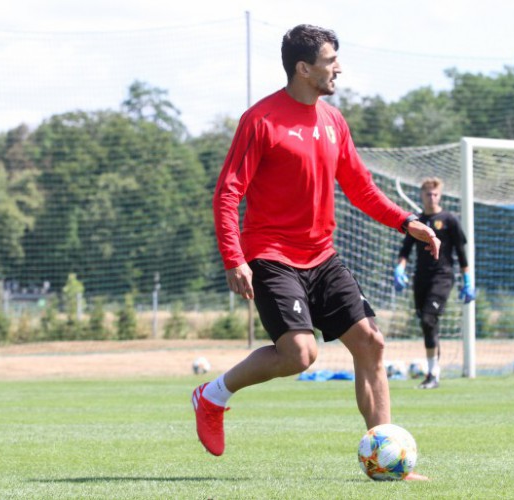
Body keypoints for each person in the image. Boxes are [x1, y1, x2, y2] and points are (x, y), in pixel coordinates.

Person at [193, 24, 439, 480]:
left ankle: (388, 463)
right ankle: (212, 396)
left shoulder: (333, 121)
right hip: (270, 254)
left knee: (371, 342)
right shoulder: (260, 120)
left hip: (322, 256)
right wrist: (234, 258)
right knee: (300, 355)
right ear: (303, 69)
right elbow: (228, 193)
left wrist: (405, 221)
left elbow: (361, 188)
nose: (338, 68)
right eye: (330, 61)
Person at [394, 177, 475, 389]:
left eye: (436, 194)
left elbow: (461, 252)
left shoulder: (449, 219)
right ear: (422, 195)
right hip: (421, 278)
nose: (432, 198)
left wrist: (467, 280)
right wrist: (399, 269)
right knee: (427, 324)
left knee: (429, 320)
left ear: (440, 195)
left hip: (443, 277)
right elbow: (405, 250)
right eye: (428, 194)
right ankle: (432, 374)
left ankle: (433, 375)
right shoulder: (417, 221)